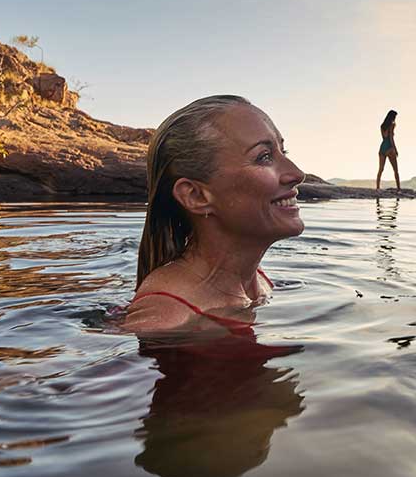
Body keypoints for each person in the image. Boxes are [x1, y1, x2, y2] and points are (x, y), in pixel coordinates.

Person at [114, 95, 306, 332]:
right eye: (264, 157)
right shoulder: (166, 317)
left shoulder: (260, 282)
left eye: (282, 151)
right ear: (196, 196)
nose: (297, 174)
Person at [376, 109, 401, 193]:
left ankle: (378, 188)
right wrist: (395, 149)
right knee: (395, 170)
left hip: (382, 147)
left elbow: (384, 138)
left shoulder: (382, 126)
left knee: (380, 169)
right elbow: (391, 138)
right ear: (393, 117)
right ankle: (398, 189)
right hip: (389, 147)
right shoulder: (392, 124)